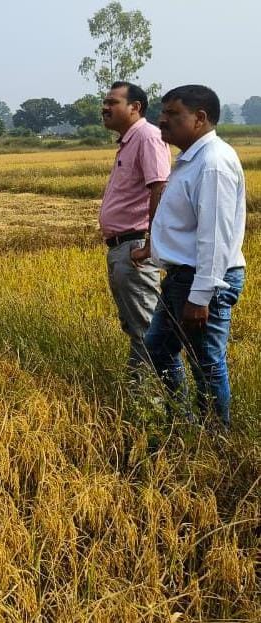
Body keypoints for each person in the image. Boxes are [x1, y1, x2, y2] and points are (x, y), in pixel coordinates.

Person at [136, 85, 247, 430]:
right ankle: (184, 420)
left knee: (207, 362)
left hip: (203, 278)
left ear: (199, 118)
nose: (162, 120)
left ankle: (216, 436)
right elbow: (186, 224)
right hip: (185, 276)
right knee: (158, 348)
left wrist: (200, 297)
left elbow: (214, 236)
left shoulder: (213, 164)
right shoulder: (191, 159)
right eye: (163, 113)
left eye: (172, 114)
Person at [98, 81, 172, 375]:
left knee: (147, 330)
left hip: (134, 248)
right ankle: (140, 395)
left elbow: (160, 189)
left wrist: (150, 245)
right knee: (137, 328)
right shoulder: (129, 141)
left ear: (135, 107)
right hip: (123, 247)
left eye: (112, 102)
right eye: (104, 102)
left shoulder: (147, 137)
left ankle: (152, 401)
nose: (105, 107)